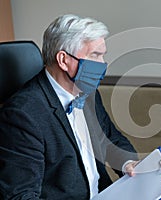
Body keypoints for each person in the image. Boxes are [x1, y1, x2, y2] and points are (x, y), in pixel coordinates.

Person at [0, 14, 138, 199]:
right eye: (95, 55)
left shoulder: (87, 93)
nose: (103, 64)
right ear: (64, 60)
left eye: (103, 55)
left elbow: (109, 139)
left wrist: (128, 163)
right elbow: (21, 196)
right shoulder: (22, 114)